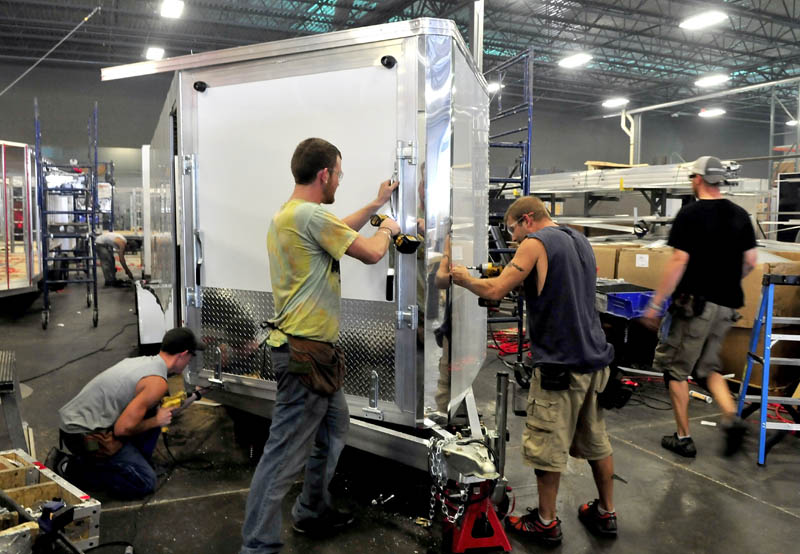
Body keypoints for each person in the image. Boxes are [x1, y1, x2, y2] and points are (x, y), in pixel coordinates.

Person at [240, 138, 401, 554]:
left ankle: (312, 511)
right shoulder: (311, 215)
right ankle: (258, 546)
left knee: (333, 430)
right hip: (305, 358)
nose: (338, 183)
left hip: (313, 356)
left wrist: (374, 203)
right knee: (282, 456)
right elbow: (368, 253)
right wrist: (387, 228)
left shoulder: (291, 215)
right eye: (339, 175)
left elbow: (339, 228)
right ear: (325, 174)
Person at [451, 196, 618, 546]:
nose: (512, 240)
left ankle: (545, 522)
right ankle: (605, 512)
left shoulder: (534, 243)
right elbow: (561, 288)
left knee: (547, 446)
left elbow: (496, 289)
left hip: (561, 364)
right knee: (597, 441)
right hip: (594, 358)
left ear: (527, 220)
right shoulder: (578, 238)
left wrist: (464, 279)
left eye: (512, 231)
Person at [642, 156, 757, 458]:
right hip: (727, 305)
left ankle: (683, 437)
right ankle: (732, 417)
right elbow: (750, 262)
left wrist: (655, 304)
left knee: (675, 370)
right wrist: (727, 281)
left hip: (695, 306)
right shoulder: (740, 214)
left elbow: (680, 260)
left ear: (699, 179)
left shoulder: (690, 215)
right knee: (708, 368)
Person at [49, 327, 204, 499]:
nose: (190, 361)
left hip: (76, 425)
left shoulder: (145, 363)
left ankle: (126, 461)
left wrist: (197, 394)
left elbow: (163, 408)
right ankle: (71, 468)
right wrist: (156, 421)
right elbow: (122, 429)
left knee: (152, 412)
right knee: (145, 481)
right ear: (183, 354)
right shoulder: (157, 383)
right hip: (84, 437)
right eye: (191, 356)